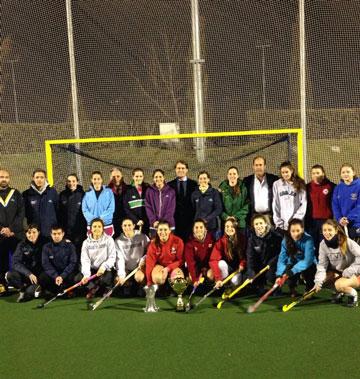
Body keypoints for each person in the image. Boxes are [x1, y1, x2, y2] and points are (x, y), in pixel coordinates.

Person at [313, 219, 360, 307]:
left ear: (336, 230)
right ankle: (339, 292)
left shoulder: (347, 241)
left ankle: (353, 295)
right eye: (324, 230)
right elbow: (322, 265)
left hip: (355, 274)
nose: (327, 233)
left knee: (339, 284)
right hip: (340, 273)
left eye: (329, 230)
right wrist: (318, 282)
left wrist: (350, 270)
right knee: (322, 281)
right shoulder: (322, 244)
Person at [275, 218, 316, 297]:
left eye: (298, 230)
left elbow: (307, 261)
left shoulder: (308, 240)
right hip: (293, 262)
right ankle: (292, 288)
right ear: (289, 231)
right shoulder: (285, 240)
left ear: (303, 229)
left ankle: (309, 288)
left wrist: (292, 271)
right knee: (288, 270)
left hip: (308, 263)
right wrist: (279, 275)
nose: (295, 234)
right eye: (293, 231)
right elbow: (282, 259)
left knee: (310, 271)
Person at [5, 224, 45, 302]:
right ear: (26, 234)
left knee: (30, 292)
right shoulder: (21, 244)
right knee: (9, 275)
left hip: (39, 276)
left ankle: (34, 289)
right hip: (27, 275)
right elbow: (15, 262)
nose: (31, 235)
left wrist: (66, 241)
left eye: (34, 232)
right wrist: (28, 273)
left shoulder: (45, 243)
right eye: (29, 233)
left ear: (39, 232)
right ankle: (23, 288)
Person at [0, 169, 25, 291]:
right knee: (1, 261)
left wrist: (11, 229)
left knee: (18, 260)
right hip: (0, 236)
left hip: (15, 234)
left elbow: (21, 214)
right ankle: (2, 286)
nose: (4, 179)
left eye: (6, 177)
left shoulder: (16, 193)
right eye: (1, 177)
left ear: (9, 179)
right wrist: (2, 229)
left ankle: (19, 284)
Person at [80, 218, 116, 299]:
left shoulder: (109, 240)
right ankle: (93, 288)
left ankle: (107, 289)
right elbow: (85, 260)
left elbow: (112, 257)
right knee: (78, 278)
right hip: (92, 269)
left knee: (106, 279)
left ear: (103, 228)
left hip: (105, 269)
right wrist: (86, 275)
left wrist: (104, 266)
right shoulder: (85, 243)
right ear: (91, 229)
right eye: (94, 226)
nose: (97, 229)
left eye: (99, 226)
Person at [246, 214, 282, 294]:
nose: (259, 226)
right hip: (260, 266)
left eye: (261, 223)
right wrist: (250, 271)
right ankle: (261, 285)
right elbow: (250, 257)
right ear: (253, 226)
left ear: (265, 224)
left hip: (273, 265)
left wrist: (271, 263)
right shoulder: (252, 239)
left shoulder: (276, 236)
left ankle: (276, 286)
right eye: (256, 224)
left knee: (270, 275)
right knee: (251, 276)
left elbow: (281, 254)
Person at [39, 225, 78, 296]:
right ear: (51, 234)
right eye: (54, 234)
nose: (56, 236)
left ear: (63, 234)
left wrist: (62, 276)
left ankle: (67, 290)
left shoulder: (70, 246)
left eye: (59, 233)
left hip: (66, 274)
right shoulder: (46, 247)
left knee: (74, 278)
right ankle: (53, 290)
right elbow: (45, 264)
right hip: (54, 275)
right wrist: (56, 276)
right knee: (42, 277)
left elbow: (73, 263)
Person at [306, 165, 335, 255]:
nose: (316, 175)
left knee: (325, 245)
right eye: (313, 173)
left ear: (323, 173)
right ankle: (313, 265)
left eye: (318, 173)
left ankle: (326, 265)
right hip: (312, 221)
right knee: (313, 244)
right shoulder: (307, 187)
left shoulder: (331, 186)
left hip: (326, 221)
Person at [209, 217, 246, 288]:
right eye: (227, 226)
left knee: (235, 282)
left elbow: (246, 255)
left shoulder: (242, 239)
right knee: (221, 263)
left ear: (236, 227)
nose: (229, 228)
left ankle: (232, 285)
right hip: (227, 268)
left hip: (238, 269)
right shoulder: (221, 241)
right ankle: (224, 283)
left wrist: (242, 264)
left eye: (232, 226)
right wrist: (218, 279)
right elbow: (213, 260)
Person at [145, 220, 184, 286]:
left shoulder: (178, 241)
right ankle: (161, 288)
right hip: (160, 266)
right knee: (157, 278)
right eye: (160, 230)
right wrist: (149, 281)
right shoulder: (153, 244)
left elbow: (181, 260)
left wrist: (168, 268)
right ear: (157, 231)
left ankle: (172, 289)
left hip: (173, 266)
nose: (163, 232)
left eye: (165, 229)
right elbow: (150, 263)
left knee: (178, 280)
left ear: (169, 231)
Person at [115, 218, 150, 291]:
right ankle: (128, 286)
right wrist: (121, 275)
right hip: (126, 268)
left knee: (139, 277)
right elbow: (119, 259)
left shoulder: (142, 236)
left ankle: (142, 287)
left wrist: (143, 260)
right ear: (121, 226)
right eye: (125, 225)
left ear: (134, 226)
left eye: (129, 225)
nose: (127, 227)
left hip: (139, 267)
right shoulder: (118, 241)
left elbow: (149, 251)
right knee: (117, 280)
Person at [23, 169, 58, 238]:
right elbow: (24, 213)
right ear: (33, 178)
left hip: (50, 232)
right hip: (34, 234)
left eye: (42, 177)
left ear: (45, 178)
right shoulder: (26, 194)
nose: (39, 179)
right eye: (37, 177)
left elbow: (58, 210)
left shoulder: (52, 192)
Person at [272, 161, 307, 232]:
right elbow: (275, 203)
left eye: (286, 172)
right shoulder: (277, 184)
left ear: (291, 171)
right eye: (283, 172)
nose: (285, 174)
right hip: (282, 224)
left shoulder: (300, 183)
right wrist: (278, 221)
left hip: (296, 223)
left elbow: (303, 203)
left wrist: (295, 220)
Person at [168, 160, 197, 242]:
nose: (180, 170)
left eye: (183, 168)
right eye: (178, 168)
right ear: (175, 170)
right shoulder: (170, 185)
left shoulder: (194, 184)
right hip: (175, 220)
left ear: (187, 170)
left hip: (189, 220)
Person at [58, 174, 87, 254]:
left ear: (77, 182)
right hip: (67, 231)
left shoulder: (83, 195)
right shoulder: (62, 195)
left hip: (80, 230)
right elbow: (59, 213)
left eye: (73, 181)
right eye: (69, 181)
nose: (71, 183)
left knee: (79, 251)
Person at [82, 171, 115, 237]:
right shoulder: (87, 194)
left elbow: (111, 208)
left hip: (106, 224)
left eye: (98, 179)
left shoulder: (109, 192)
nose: (96, 181)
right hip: (92, 225)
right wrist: (94, 219)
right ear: (91, 180)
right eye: (94, 179)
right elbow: (84, 210)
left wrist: (101, 218)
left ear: (102, 179)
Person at [332, 163, 360, 241]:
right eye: (343, 172)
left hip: (356, 223)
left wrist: (348, 218)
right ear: (340, 174)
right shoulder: (338, 188)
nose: (345, 174)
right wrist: (339, 218)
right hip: (342, 223)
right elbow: (335, 205)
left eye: (348, 172)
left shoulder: (359, 186)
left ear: (353, 173)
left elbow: (359, 206)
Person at [145, 169, 176, 237]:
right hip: (154, 225)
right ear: (153, 178)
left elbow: (171, 209)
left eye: (160, 176)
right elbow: (148, 207)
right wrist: (153, 221)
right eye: (156, 177)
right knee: (156, 246)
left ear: (164, 177)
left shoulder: (171, 191)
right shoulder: (149, 191)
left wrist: (164, 223)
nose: (158, 179)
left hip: (168, 225)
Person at [191, 171, 223, 237]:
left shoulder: (214, 192)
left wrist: (207, 219)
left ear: (208, 179)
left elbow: (218, 209)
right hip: (198, 227)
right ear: (198, 180)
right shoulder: (194, 194)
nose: (203, 180)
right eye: (201, 178)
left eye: (205, 178)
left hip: (211, 226)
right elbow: (193, 209)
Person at [184, 219, 214, 286]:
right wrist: (194, 280)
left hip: (208, 266)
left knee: (211, 275)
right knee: (191, 278)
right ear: (193, 230)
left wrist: (207, 267)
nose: (198, 229)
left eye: (201, 227)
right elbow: (190, 263)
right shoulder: (189, 243)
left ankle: (208, 285)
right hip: (196, 267)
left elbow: (213, 257)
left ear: (205, 229)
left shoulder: (211, 239)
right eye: (196, 227)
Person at [219, 166, 249, 231]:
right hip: (226, 224)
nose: (232, 176)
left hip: (240, 223)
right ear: (227, 176)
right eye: (230, 174)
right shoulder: (222, 188)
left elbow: (247, 206)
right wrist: (226, 217)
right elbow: (218, 206)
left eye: (234, 174)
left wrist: (235, 217)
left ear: (238, 175)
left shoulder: (243, 188)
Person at [123, 168, 149, 235]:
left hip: (146, 223)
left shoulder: (147, 189)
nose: (139, 178)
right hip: (134, 223)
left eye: (140, 176)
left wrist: (145, 220)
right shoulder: (128, 190)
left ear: (143, 177)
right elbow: (126, 208)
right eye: (136, 176)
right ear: (133, 177)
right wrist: (136, 220)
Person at [108, 167, 127, 238]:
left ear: (122, 176)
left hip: (126, 221)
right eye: (113, 177)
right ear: (110, 177)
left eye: (118, 176)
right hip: (112, 222)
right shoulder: (106, 190)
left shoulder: (128, 189)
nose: (116, 178)